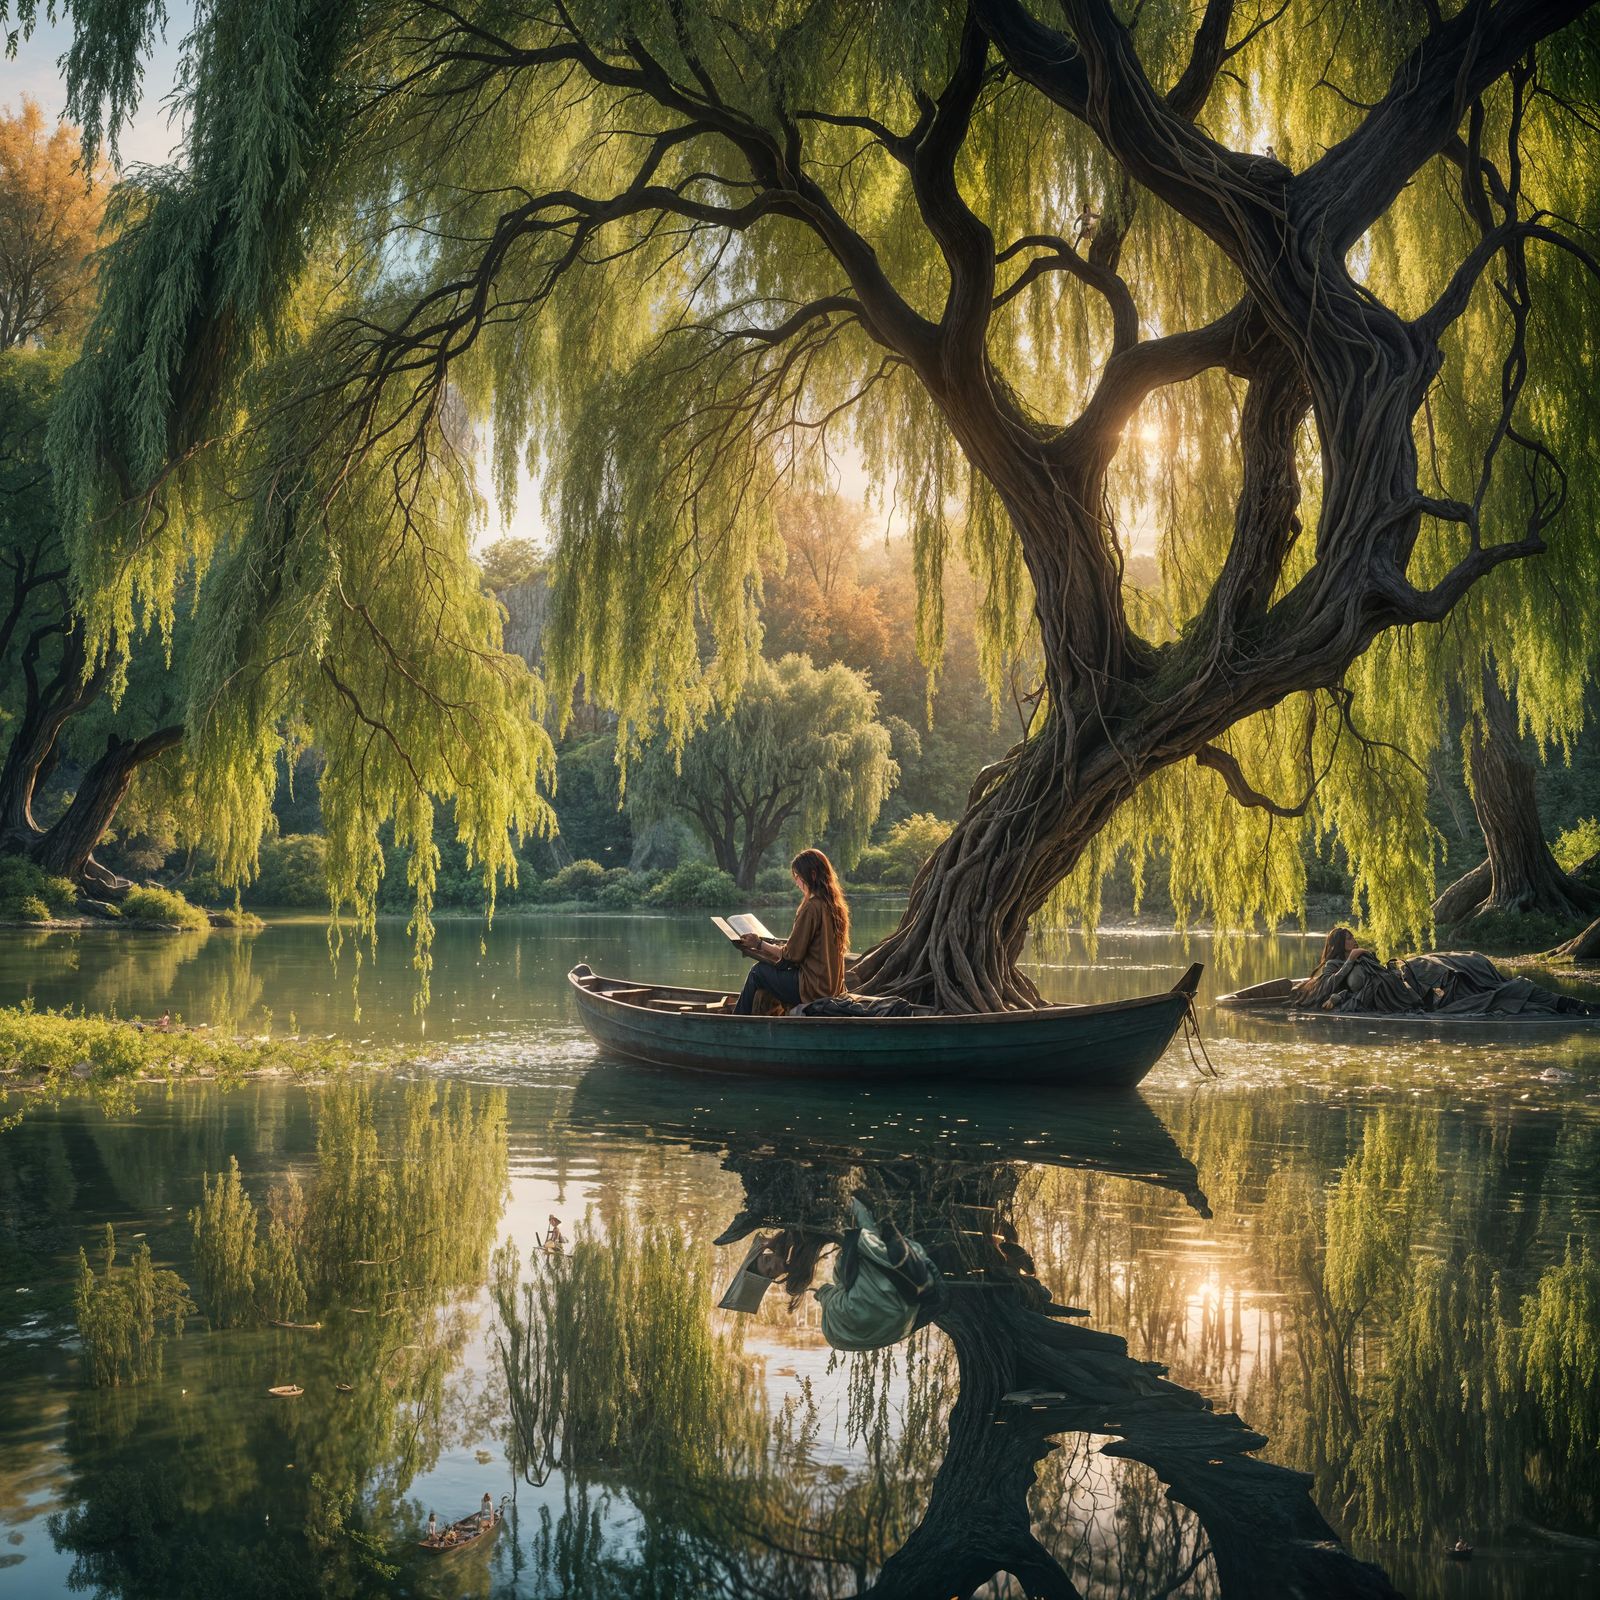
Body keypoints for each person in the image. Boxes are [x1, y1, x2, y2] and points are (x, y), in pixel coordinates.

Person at [733, 848, 849, 1015]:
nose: (797, 882)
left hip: (813, 988)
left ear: (813, 875)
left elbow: (791, 957)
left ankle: (737, 1023)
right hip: (833, 986)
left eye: (798, 876)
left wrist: (758, 943)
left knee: (757, 972)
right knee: (769, 973)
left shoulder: (811, 907)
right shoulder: (836, 906)